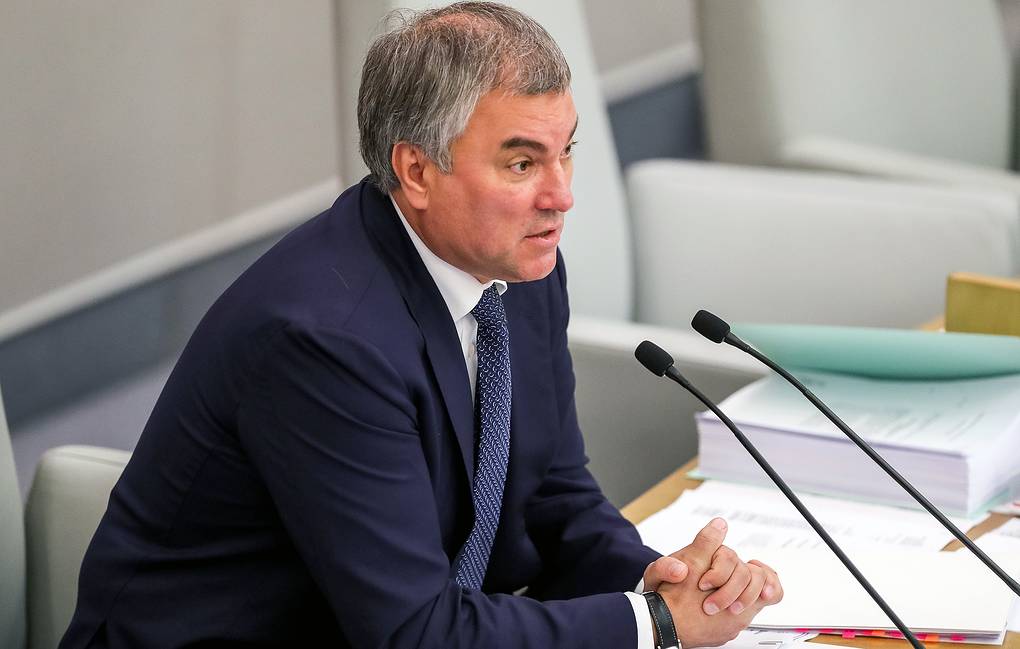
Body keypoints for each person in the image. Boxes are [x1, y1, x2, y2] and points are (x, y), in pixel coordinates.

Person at [60, 3, 781, 648]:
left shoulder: (516, 266)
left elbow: (554, 495)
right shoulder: (325, 340)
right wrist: (653, 626)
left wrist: (663, 580)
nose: (561, 195)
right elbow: (414, 632)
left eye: (566, 151)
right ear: (416, 171)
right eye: (522, 163)